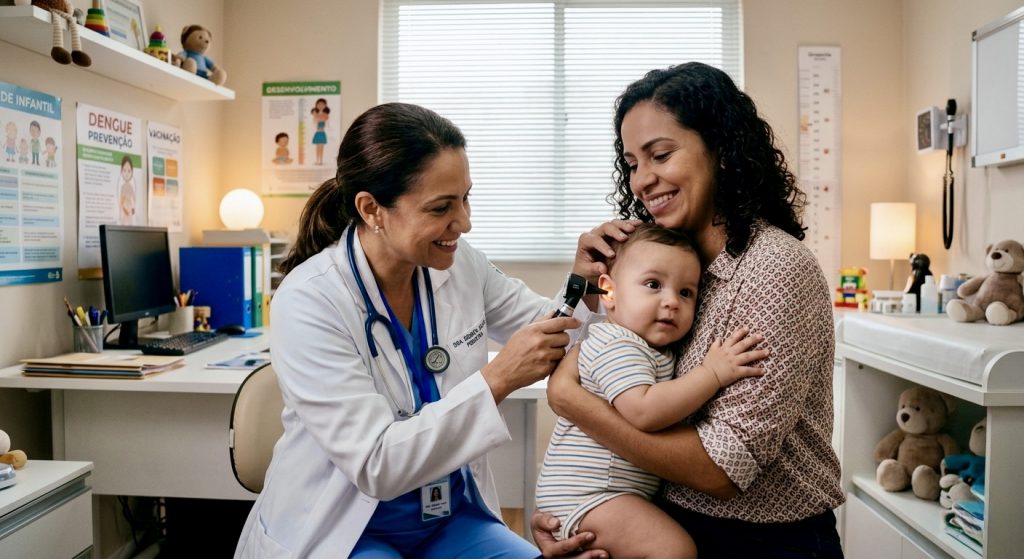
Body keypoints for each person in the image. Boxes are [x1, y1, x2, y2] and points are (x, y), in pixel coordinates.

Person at [235, 102, 591, 558]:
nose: (464, 222)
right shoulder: (309, 299)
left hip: (449, 519)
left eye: (466, 198)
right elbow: (377, 463)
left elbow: (554, 329)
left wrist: (585, 290)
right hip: (347, 528)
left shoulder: (460, 265)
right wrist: (498, 377)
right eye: (442, 207)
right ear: (372, 209)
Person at [533, 62, 844, 558]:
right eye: (632, 163)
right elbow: (587, 352)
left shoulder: (774, 267)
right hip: (666, 518)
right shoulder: (672, 265)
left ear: (721, 149)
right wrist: (575, 515)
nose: (642, 180)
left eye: (660, 155)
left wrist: (571, 403)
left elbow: (721, 470)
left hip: (763, 543)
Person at [535, 223, 768, 559]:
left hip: (603, 495)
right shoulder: (617, 343)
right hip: (588, 497)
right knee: (673, 549)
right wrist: (712, 373)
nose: (672, 301)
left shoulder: (646, 347)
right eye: (653, 285)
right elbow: (644, 412)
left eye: (686, 292)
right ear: (609, 292)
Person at [311, 98, 330, 165]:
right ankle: (317, 160)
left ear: (325, 105)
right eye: (319, 104)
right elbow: (313, 123)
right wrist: (315, 116)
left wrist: (320, 118)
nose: (321, 106)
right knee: (317, 147)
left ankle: (321, 161)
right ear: (316, 105)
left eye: (322, 104)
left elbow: (327, 124)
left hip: (322, 133)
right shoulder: (315, 114)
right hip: (317, 133)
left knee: (321, 147)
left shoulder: (326, 115)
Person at [118, 155, 136, 225]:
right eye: (124, 170)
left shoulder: (131, 186)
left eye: (129, 171)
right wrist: (124, 210)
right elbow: (121, 202)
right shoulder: (122, 187)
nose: (126, 173)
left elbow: (133, 199)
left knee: (130, 224)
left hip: (130, 212)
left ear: (132, 172)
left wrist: (133, 209)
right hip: (125, 212)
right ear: (121, 171)